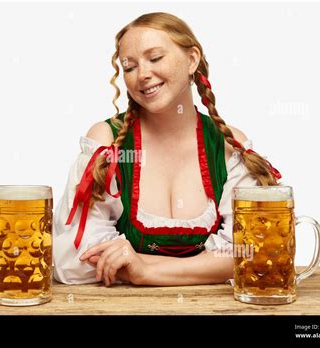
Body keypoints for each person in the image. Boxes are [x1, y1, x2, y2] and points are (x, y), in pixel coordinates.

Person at [53, 12, 281, 286]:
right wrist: (208, 267)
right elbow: (72, 261)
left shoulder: (229, 146)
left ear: (192, 59)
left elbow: (252, 253)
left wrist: (144, 269)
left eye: (155, 58)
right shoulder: (107, 143)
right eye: (129, 67)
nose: (143, 75)